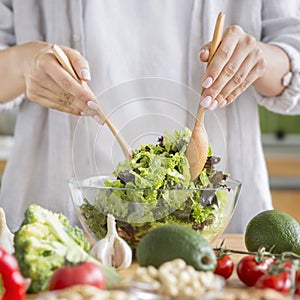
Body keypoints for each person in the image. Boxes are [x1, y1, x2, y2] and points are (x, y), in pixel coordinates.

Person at [0, 1, 299, 232]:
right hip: (55, 214)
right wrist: (21, 65)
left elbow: (292, 46)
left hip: (219, 232)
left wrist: (260, 59)